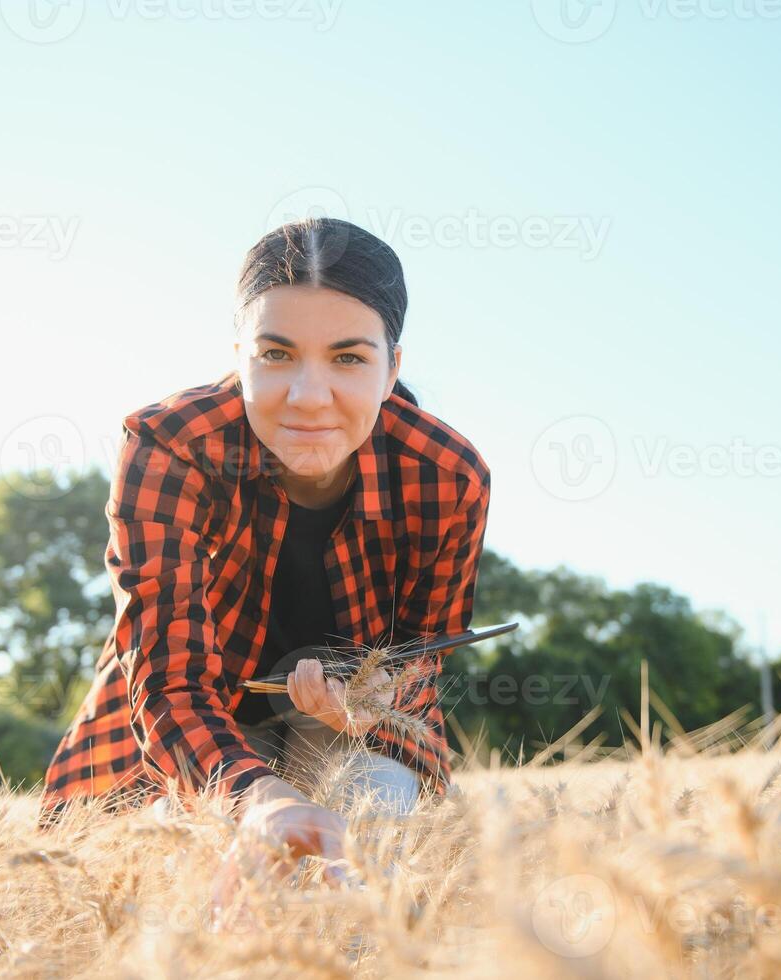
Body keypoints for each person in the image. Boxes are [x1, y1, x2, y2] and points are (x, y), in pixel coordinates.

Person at [37, 216, 491, 897]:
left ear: (392, 369)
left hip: (347, 735)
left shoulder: (446, 476)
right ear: (238, 355)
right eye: (276, 355)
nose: (308, 397)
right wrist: (262, 799)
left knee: (370, 835)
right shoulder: (170, 447)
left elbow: (421, 660)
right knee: (179, 878)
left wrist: (371, 704)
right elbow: (169, 683)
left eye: (348, 358)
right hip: (188, 732)